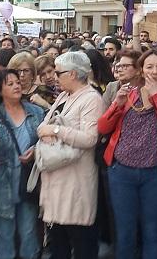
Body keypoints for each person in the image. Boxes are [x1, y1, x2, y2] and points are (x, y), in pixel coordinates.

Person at [97, 48, 157, 259]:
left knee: (152, 231)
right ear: (141, 70)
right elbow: (102, 127)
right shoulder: (127, 95)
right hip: (121, 173)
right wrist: (116, 104)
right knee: (125, 231)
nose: (154, 72)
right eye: (149, 67)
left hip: (155, 175)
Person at [37, 52, 104, 259]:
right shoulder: (64, 96)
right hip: (56, 177)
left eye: (58, 72)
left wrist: (56, 132)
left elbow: (90, 138)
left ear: (73, 74)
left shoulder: (92, 99)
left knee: (81, 240)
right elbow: (43, 126)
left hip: (76, 180)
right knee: (58, 241)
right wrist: (46, 131)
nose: (54, 77)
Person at [0, 69, 42, 259]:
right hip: (2, 186)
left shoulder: (36, 112)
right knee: (5, 234)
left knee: (28, 232)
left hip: (29, 183)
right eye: (9, 84)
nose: (16, 86)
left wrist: (36, 151)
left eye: (17, 82)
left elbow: (46, 142)